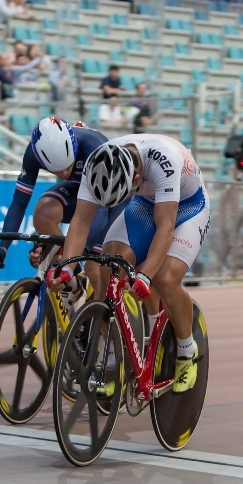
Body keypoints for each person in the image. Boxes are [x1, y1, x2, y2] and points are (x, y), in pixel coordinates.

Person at [47, 134, 210, 394]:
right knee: (108, 269)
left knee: (164, 279)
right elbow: (80, 222)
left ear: (135, 179)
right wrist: (67, 269)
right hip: (144, 204)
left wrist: (144, 276)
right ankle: (112, 362)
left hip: (188, 207)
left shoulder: (163, 159)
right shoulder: (97, 162)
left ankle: (185, 350)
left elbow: (165, 227)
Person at [0, 118, 131, 303]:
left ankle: (105, 324)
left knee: (95, 269)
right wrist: (2, 249)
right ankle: (74, 283)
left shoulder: (94, 147)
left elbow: (98, 214)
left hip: (111, 198)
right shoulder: (33, 153)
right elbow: (19, 203)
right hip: (78, 189)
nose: (63, 174)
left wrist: (73, 259)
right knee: (44, 211)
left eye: (68, 166)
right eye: (56, 170)